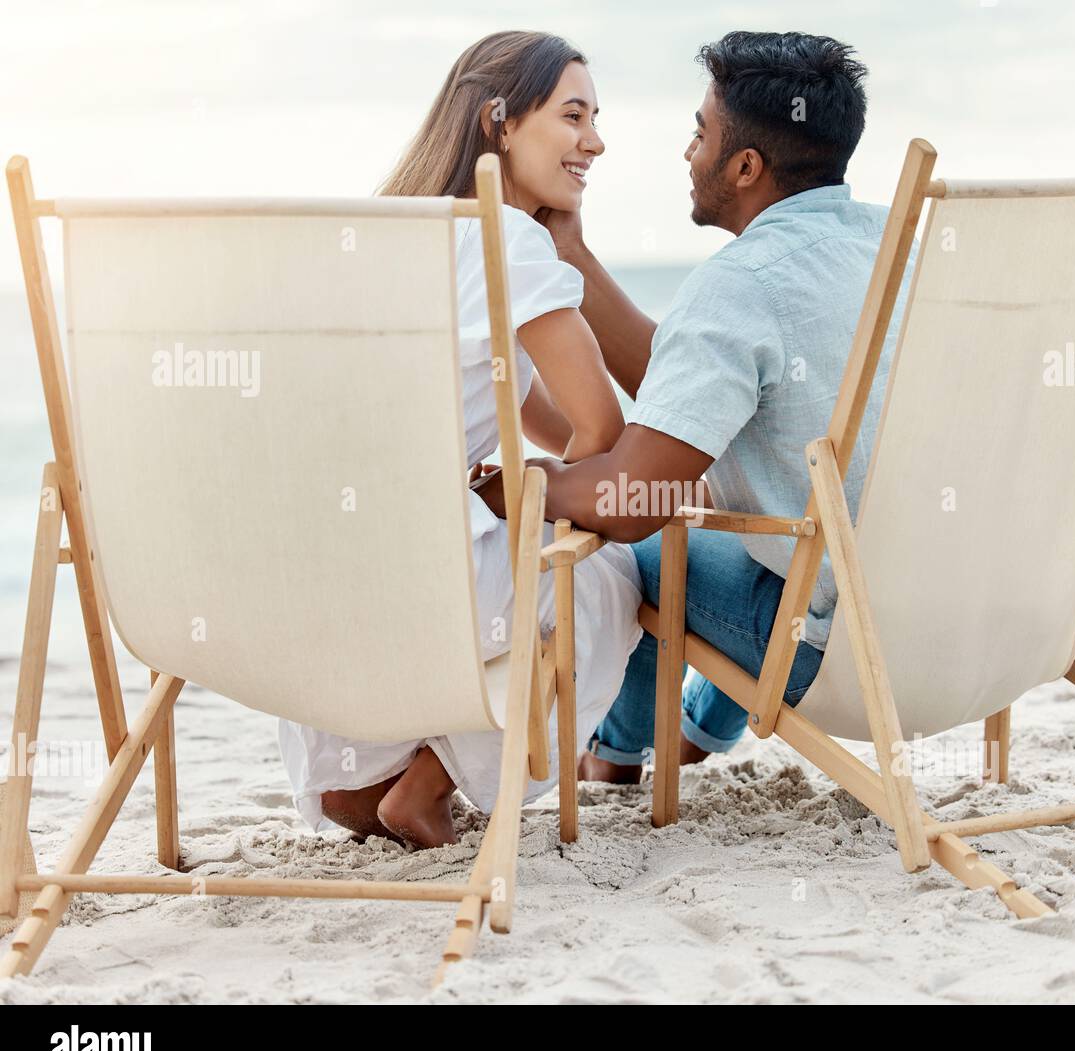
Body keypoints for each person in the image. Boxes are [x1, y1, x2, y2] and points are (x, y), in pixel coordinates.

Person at [478, 30, 902, 782]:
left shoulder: (743, 283)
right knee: (765, 535)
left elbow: (635, 497)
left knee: (641, 545)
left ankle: (614, 757)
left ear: (745, 166)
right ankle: (696, 731)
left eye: (700, 134)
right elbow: (683, 384)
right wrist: (572, 257)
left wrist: (517, 484)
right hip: (945, 631)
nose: (688, 153)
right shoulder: (892, 244)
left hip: (837, 651)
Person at [278, 30, 643, 846]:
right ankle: (431, 780)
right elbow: (600, 428)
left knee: (496, 537)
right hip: (429, 577)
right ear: (500, 123)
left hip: (308, 574)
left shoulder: (373, 236)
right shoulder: (504, 240)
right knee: (604, 573)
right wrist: (529, 494)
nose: (595, 140)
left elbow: (534, 411)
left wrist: (512, 468)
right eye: (574, 114)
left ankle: (358, 778)